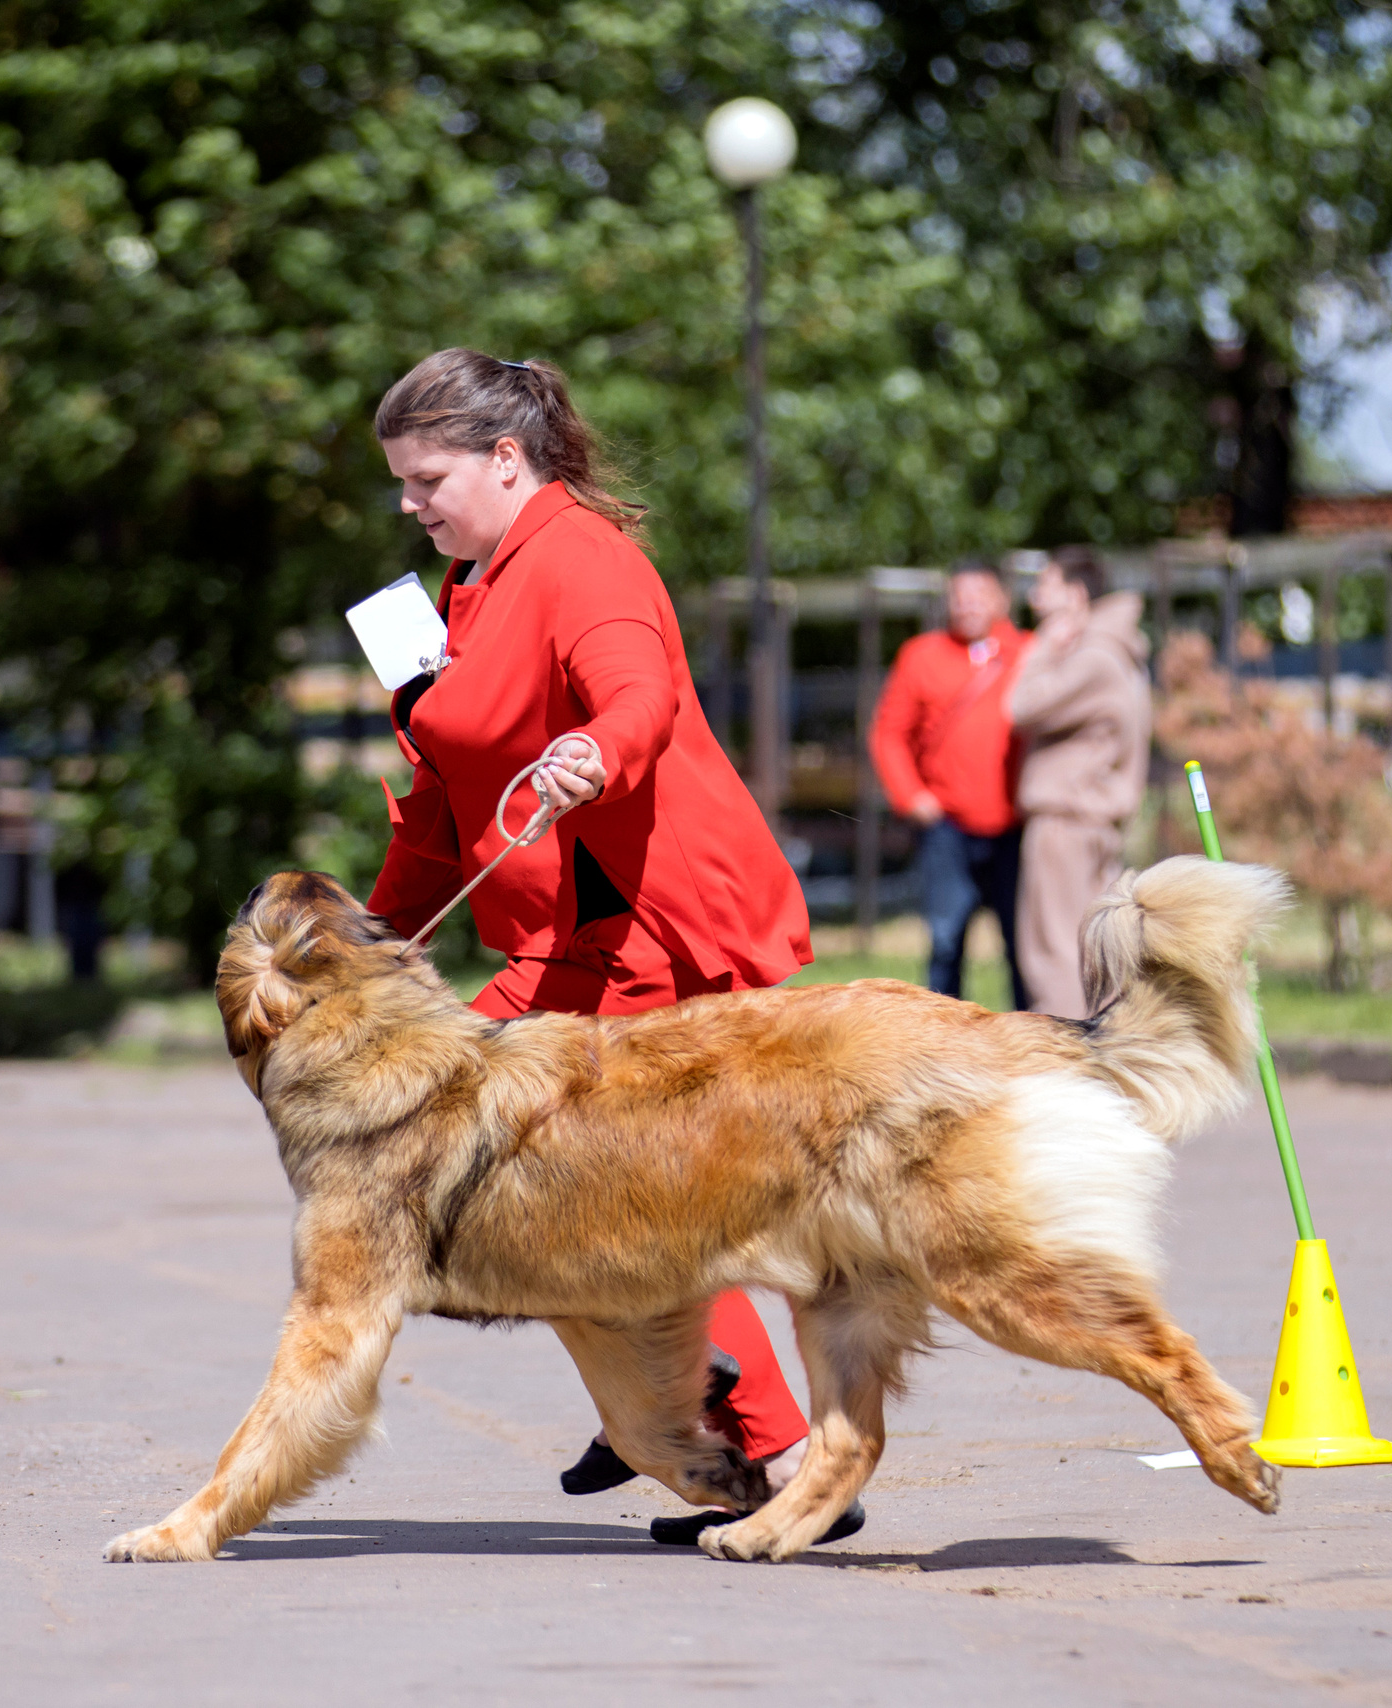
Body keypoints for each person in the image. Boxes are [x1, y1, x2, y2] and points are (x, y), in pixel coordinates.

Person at [365, 348, 855, 1544]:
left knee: (585, 1189)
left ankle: (749, 1440)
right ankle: (664, 1400)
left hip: (649, 929)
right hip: (564, 941)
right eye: (399, 485)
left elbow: (635, 695)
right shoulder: (463, 587)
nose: (411, 504)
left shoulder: (583, 560)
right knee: (503, 1171)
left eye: (427, 478)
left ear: (504, 458)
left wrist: (597, 751)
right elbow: (438, 796)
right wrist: (370, 945)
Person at [867, 561, 1030, 1009]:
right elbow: (889, 733)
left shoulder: (1027, 652)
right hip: (947, 828)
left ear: (1002, 600)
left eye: (979, 593)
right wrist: (911, 795)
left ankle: (1031, 1038)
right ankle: (943, 1044)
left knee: (1022, 945)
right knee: (945, 941)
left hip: (1013, 827)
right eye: (959, 594)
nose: (968, 603)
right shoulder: (921, 655)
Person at [1006, 547, 1152, 1018]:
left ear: (1076, 594)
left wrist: (1045, 646)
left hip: (1067, 822)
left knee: (1055, 955)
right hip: (1093, 821)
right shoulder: (1121, 652)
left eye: (1045, 585)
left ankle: (1071, 1066)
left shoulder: (1094, 657)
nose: (1034, 598)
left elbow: (1019, 706)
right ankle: (1104, 1064)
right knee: (1093, 950)